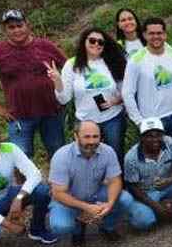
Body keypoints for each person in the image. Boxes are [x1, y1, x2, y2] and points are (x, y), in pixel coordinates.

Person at [0, 9, 66, 159]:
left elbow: (69, 66)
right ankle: (23, 183)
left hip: (52, 111)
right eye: (11, 27)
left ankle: (60, 182)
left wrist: (65, 93)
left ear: (28, 25)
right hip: (18, 116)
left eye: (19, 25)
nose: (16, 30)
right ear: (5, 30)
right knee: (21, 157)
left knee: (58, 153)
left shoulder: (46, 45)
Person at [48, 120, 136, 247]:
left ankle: (107, 227)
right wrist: (86, 208)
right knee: (60, 226)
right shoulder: (62, 156)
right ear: (76, 136)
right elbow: (58, 193)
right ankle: (78, 229)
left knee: (125, 199)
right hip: (69, 199)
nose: (92, 141)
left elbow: (115, 180)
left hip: (96, 194)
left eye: (95, 136)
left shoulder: (108, 151)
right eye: (87, 137)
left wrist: (109, 204)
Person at [49, 27, 128, 160]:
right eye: (92, 40)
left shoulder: (111, 61)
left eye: (100, 42)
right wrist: (57, 81)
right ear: (84, 42)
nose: (96, 44)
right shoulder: (72, 64)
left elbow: (125, 90)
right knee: (87, 157)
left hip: (112, 119)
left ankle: (117, 181)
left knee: (115, 155)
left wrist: (115, 101)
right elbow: (63, 99)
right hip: (85, 121)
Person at [121, 17, 172, 157]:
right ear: (144, 35)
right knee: (155, 158)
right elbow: (127, 93)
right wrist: (138, 121)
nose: (156, 36)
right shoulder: (136, 60)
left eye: (159, 33)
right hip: (150, 119)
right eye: (151, 33)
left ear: (165, 34)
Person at [124, 118, 172, 231]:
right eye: (149, 136)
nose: (155, 139)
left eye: (158, 135)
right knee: (143, 222)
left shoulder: (169, 142)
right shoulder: (131, 157)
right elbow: (133, 188)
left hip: (168, 185)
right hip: (146, 193)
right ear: (141, 138)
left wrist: (169, 180)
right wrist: (156, 207)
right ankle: (156, 211)